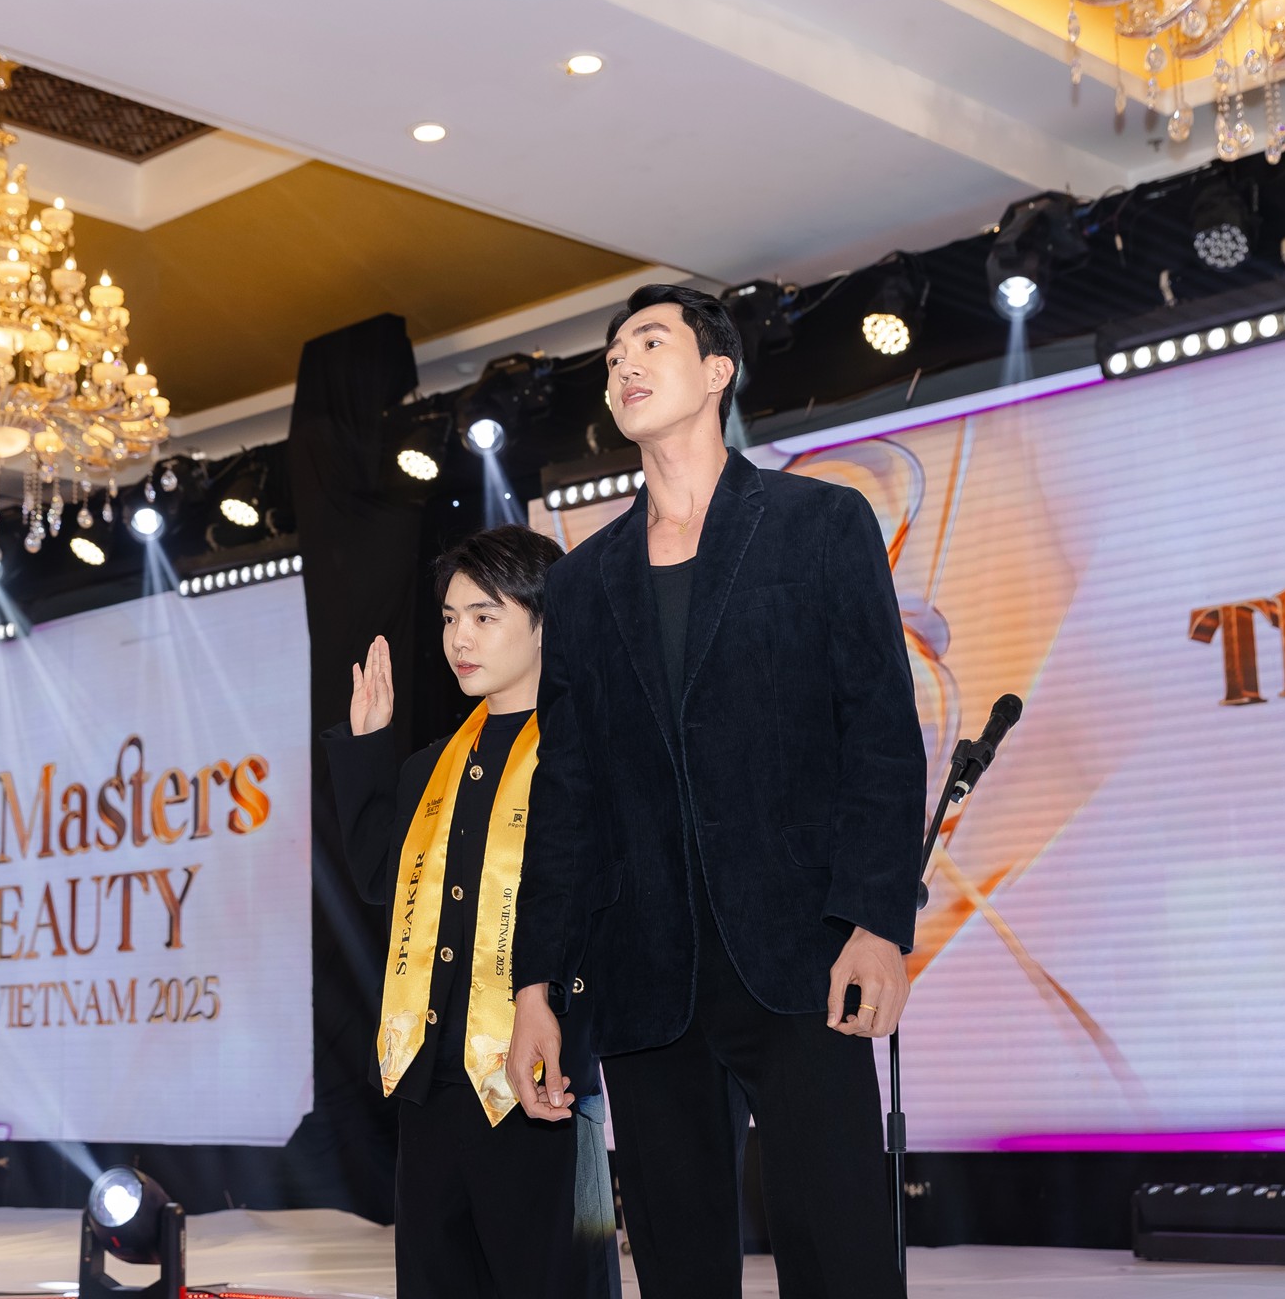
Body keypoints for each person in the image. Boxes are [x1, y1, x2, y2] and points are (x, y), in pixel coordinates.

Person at [506, 284, 927, 1297]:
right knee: (677, 1262)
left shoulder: (819, 522)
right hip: (644, 974)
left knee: (839, 1252)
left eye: (649, 341)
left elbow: (879, 732)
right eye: (612, 354)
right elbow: (565, 798)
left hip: (800, 954)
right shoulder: (581, 582)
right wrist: (533, 988)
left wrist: (876, 922)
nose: (623, 362)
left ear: (716, 372)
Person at [322, 524, 619, 1299]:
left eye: (485, 616)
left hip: (540, 1080)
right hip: (432, 1084)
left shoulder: (588, 751)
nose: (460, 638)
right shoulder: (435, 764)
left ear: (546, 622)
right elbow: (381, 880)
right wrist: (369, 747)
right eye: (452, 617)